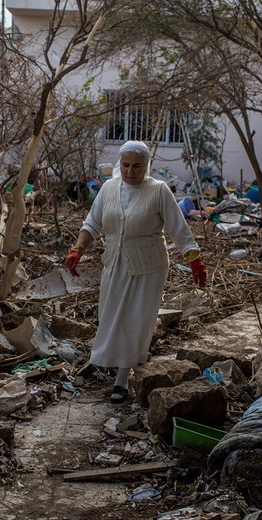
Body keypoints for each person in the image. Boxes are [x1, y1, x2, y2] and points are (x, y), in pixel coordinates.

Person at [65, 140, 207, 403]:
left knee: (135, 319)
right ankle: (116, 363)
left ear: (146, 166)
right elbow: (92, 223)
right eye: (126, 165)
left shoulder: (158, 190)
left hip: (148, 266)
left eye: (137, 166)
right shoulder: (108, 189)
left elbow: (178, 228)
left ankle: (122, 379)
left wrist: (194, 259)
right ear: (120, 164)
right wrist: (78, 248)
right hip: (114, 262)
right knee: (110, 315)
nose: (131, 171)